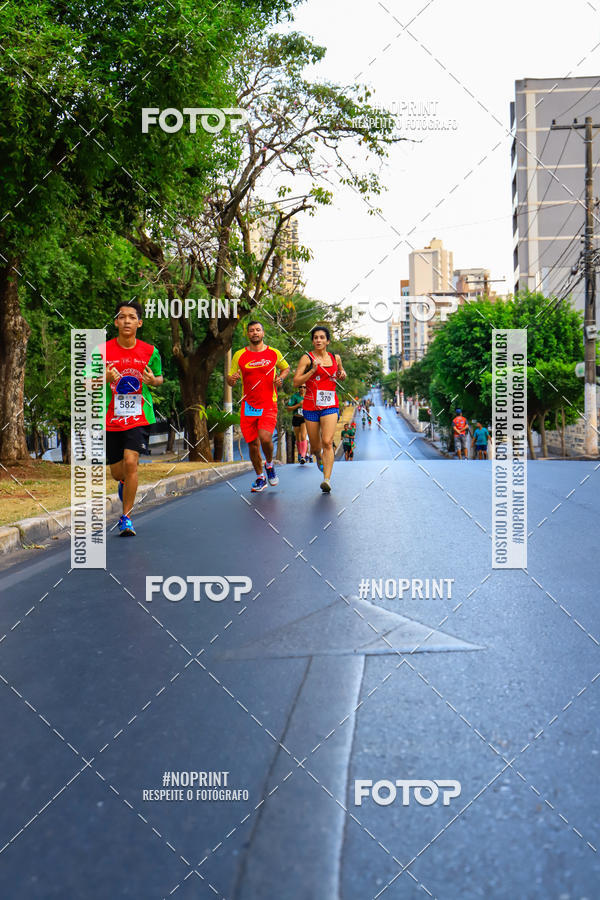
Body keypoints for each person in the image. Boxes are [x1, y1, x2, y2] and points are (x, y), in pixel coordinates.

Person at [92, 300, 163, 536]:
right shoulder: (101, 351)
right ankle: (124, 484)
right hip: (110, 418)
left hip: (139, 415)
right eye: (122, 317)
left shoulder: (150, 351)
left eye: (132, 317)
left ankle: (126, 518)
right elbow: (86, 383)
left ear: (139, 323)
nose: (127, 321)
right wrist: (105, 377)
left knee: (131, 463)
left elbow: (159, 378)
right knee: (117, 472)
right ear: (115, 322)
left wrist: (153, 381)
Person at [227, 321, 289, 491]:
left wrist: (281, 378)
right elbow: (230, 378)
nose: (255, 333)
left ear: (263, 333)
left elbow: (286, 368)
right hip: (248, 406)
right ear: (248, 334)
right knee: (253, 445)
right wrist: (231, 380)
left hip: (269, 403)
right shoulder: (239, 355)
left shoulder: (274, 353)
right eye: (251, 330)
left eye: (258, 330)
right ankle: (260, 477)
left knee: (266, 438)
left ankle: (269, 465)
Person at [293, 325, 346, 493]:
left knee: (327, 441)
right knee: (316, 447)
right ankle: (317, 457)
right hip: (310, 406)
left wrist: (342, 374)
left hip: (330, 404)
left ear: (328, 341)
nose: (318, 340)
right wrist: (313, 371)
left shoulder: (335, 358)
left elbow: (340, 374)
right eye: (315, 337)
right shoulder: (307, 358)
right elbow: (296, 382)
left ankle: (327, 480)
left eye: (322, 337)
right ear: (312, 341)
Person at [287, 385, 310, 464]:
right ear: (298, 388)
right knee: (298, 438)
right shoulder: (294, 397)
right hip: (296, 418)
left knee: (303, 436)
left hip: (304, 418)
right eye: (300, 387)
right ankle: (300, 453)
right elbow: (288, 409)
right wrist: (298, 405)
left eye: (304, 387)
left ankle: (303, 456)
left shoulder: (308, 396)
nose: (302, 389)